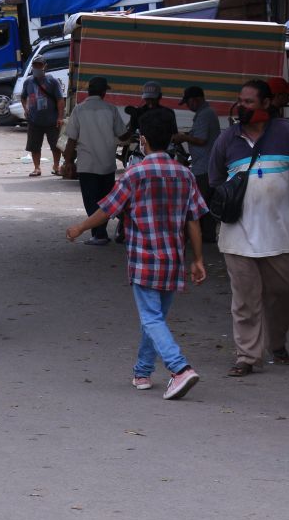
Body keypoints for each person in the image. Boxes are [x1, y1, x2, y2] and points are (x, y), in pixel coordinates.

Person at [65, 109, 208, 400]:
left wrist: (80, 227)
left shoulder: (135, 173)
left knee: (152, 319)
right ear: (171, 138)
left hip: (144, 258)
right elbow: (194, 219)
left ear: (142, 140)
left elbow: (108, 209)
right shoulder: (185, 174)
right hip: (173, 259)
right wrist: (198, 259)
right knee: (154, 319)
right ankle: (142, 372)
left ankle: (179, 368)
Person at [208, 79, 289, 376]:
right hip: (237, 234)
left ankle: (277, 342)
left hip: (278, 233)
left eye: (249, 102)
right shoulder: (227, 139)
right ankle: (247, 357)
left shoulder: (288, 133)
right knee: (245, 299)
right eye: (240, 101)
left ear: (266, 103)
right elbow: (214, 181)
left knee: (284, 292)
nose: (242, 108)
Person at [60, 77, 125, 245]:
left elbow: (72, 139)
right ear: (104, 92)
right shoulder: (111, 109)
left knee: (91, 200)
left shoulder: (79, 110)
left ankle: (100, 234)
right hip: (107, 163)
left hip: (87, 164)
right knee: (106, 200)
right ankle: (108, 229)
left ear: (88, 91)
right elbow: (123, 134)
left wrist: (68, 161)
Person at [173, 85, 221, 243]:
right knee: (205, 203)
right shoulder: (206, 113)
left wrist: (183, 138)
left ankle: (200, 236)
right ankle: (206, 235)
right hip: (205, 165)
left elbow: (201, 140)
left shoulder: (205, 114)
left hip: (204, 167)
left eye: (188, 102)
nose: (187, 106)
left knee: (199, 204)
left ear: (196, 100)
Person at [20, 57, 65, 176]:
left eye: (39, 65)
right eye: (35, 66)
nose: (37, 68)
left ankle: (56, 166)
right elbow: (23, 97)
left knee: (55, 145)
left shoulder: (52, 81)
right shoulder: (28, 82)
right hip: (34, 120)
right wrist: (26, 109)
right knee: (34, 146)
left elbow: (60, 100)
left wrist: (60, 117)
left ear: (45, 66)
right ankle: (37, 168)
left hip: (52, 120)